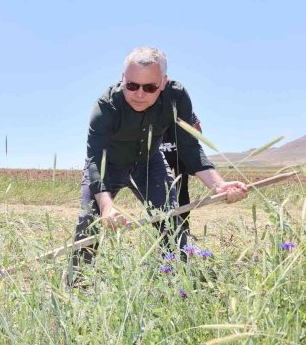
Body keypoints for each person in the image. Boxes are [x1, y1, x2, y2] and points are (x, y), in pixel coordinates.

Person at [72, 46, 247, 271]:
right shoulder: (106, 106)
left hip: (149, 163)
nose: (139, 94)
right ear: (122, 78)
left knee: (170, 218)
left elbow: (189, 147)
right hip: (108, 166)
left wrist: (219, 185)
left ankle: (177, 279)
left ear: (163, 83)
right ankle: (77, 283)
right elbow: (96, 159)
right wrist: (107, 208)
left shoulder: (177, 97)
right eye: (132, 85)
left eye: (150, 87)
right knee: (89, 222)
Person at [160, 112, 202, 234]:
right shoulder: (155, 106)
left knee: (182, 189)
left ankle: (184, 226)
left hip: (181, 155)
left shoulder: (184, 108)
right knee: (161, 190)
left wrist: (188, 144)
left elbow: (198, 131)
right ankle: (165, 227)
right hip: (161, 155)